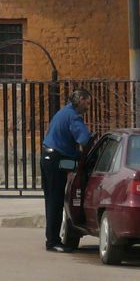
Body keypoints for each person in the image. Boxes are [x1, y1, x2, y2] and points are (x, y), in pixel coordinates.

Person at [41, 88, 92, 252]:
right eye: (88, 102)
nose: (88, 106)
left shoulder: (64, 112)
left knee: (51, 199)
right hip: (57, 160)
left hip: (49, 157)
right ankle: (53, 242)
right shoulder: (73, 117)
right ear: (81, 100)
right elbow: (84, 138)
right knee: (56, 200)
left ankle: (52, 238)